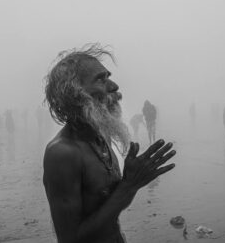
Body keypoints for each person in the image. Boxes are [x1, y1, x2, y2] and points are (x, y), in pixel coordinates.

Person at [43, 44, 176, 243]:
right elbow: (69, 239)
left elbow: (109, 209)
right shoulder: (63, 153)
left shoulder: (99, 138)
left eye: (108, 77)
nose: (114, 87)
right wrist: (128, 187)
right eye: (101, 79)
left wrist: (130, 182)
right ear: (75, 93)